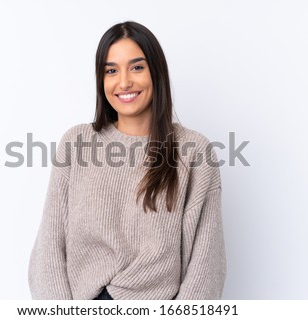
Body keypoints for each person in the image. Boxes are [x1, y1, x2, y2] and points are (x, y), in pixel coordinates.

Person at [28, 21, 226, 300]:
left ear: (156, 73)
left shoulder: (194, 151)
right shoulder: (76, 143)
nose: (124, 82)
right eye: (111, 71)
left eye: (136, 67)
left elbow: (206, 265)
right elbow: (49, 248)